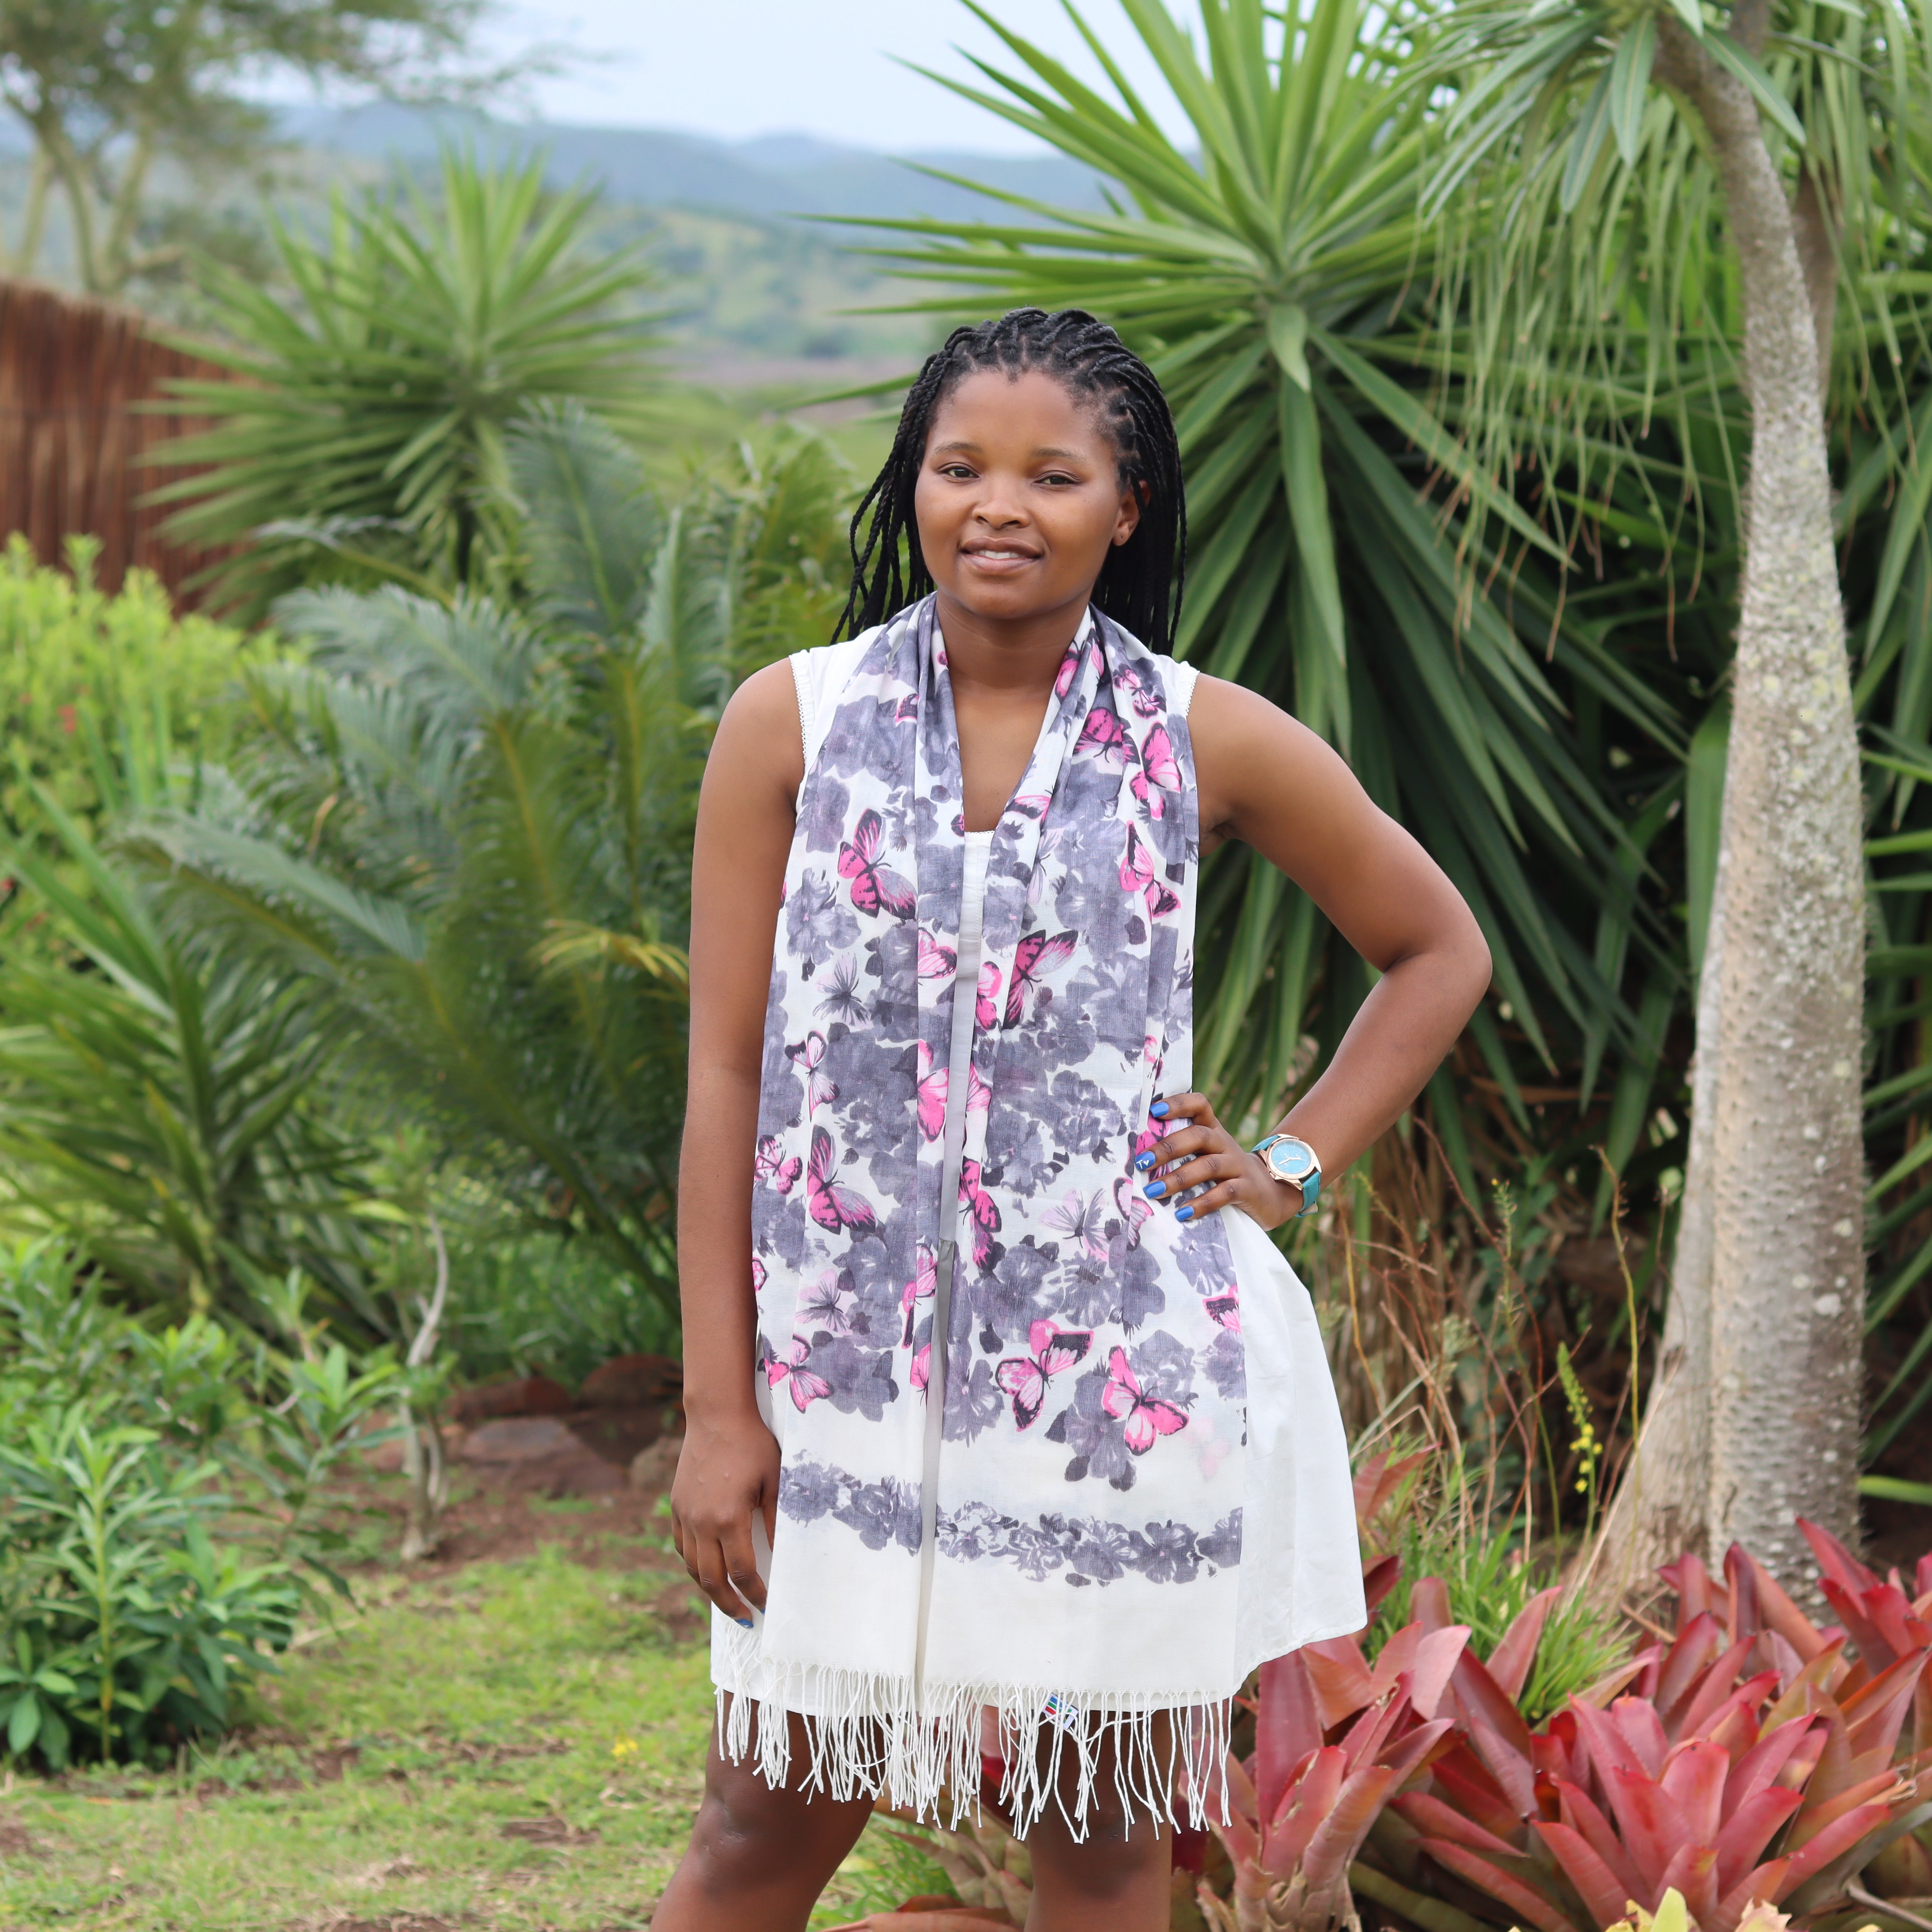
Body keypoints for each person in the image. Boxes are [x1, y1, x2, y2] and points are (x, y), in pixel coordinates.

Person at [652, 309, 1491, 1931]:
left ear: (1127, 504)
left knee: (1104, 1839)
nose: (997, 503)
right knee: (761, 1816)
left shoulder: (1201, 734)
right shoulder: (794, 723)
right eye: (958, 465)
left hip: (1115, 1391)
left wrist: (1290, 1161)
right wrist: (714, 1403)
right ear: (911, 485)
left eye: (1053, 471)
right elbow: (726, 1073)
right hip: (838, 1393)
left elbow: (1434, 946)